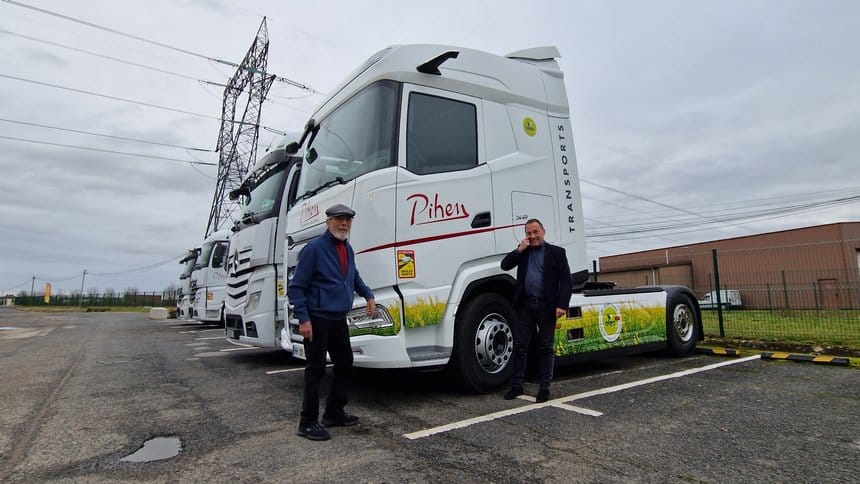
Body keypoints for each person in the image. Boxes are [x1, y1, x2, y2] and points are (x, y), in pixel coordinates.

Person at [288, 203, 376, 441]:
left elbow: (353, 277)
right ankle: (307, 423)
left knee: (345, 363)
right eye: (339, 219)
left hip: (338, 318)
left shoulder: (347, 249)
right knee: (315, 370)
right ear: (328, 222)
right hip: (317, 318)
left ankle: (334, 412)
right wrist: (304, 319)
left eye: (347, 220)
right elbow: (296, 287)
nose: (343, 224)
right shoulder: (314, 249)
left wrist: (368, 295)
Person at [500, 218, 572, 403]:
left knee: (546, 348)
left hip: (547, 307)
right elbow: (505, 265)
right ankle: (517, 386)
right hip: (525, 305)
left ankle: (544, 388)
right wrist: (519, 249)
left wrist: (562, 305)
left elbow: (566, 281)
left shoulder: (556, 253)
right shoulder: (523, 252)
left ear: (543, 231)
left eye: (535, 232)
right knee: (520, 346)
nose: (532, 236)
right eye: (528, 233)